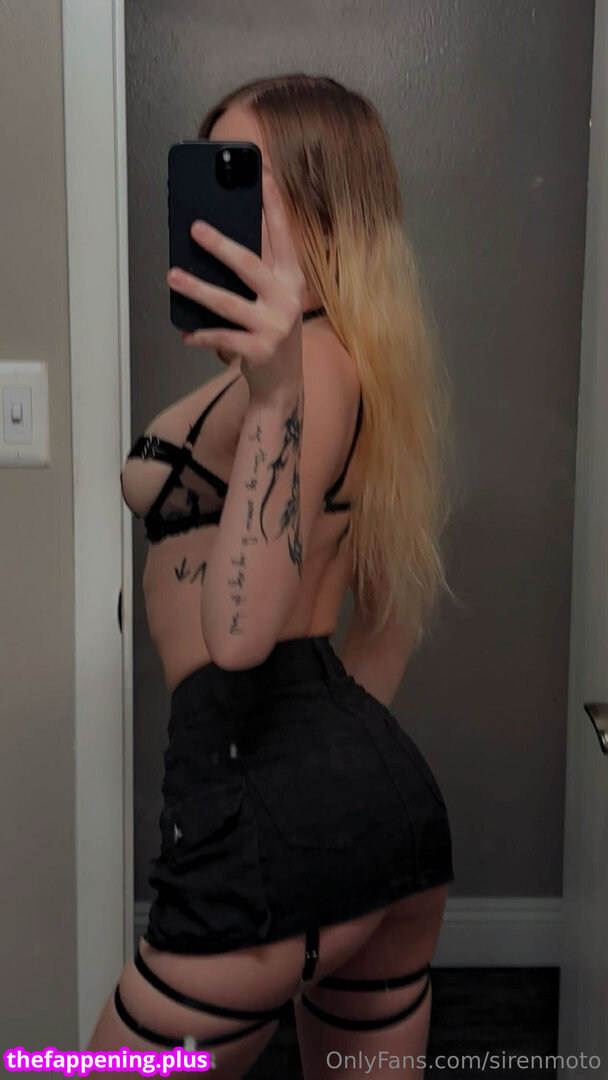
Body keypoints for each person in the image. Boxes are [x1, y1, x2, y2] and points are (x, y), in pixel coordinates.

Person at [88, 73, 458, 1077]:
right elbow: (386, 618)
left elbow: (239, 637)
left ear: (326, 204)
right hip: (373, 806)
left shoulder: (309, 371)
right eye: (216, 169)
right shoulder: (345, 360)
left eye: (252, 177)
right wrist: (334, 786)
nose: (224, 206)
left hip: (263, 796)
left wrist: (296, 794)